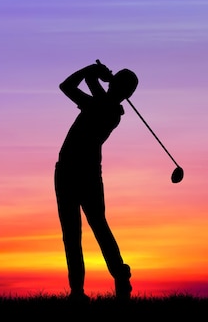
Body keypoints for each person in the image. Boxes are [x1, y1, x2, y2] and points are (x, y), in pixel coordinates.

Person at [54, 61, 138, 301]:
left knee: (86, 230)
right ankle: (82, 290)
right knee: (80, 231)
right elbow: (77, 86)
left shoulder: (107, 109)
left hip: (78, 173)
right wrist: (94, 73)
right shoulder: (104, 105)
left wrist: (92, 70)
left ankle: (115, 277)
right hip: (74, 172)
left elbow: (68, 85)